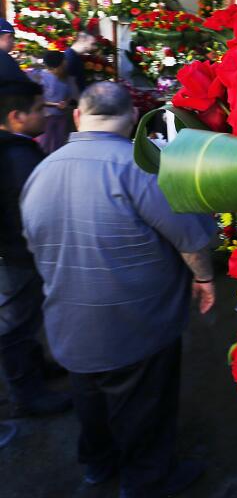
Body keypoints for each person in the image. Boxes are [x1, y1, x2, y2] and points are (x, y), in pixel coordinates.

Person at [20, 81, 217, 498]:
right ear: (131, 120)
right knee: (144, 407)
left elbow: (34, 241)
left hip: (68, 322)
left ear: (77, 116)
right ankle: (146, 480)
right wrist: (203, 278)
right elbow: (192, 240)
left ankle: (98, 464)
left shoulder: (42, 169)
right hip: (136, 325)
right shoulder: (139, 167)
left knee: (89, 398)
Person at [0, 79, 72, 421]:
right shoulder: (16, 156)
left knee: (24, 320)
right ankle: (26, 395)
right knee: (14, 325)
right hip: (16, 257)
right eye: (39, 109)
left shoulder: (15, 149)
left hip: (14, 253)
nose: (46, 114)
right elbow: (31, 213)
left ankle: (35, 368)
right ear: (16, 117)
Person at [32, 50, 79, 154]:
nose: (65, 65)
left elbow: (73, 96)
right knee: (46, 148)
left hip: (63, 119)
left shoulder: (68, 78)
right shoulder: (40, 77)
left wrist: (67, 102)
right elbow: (37, 100)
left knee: (61, 146)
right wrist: (55, 104)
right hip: (46, 119)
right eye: (64, 63)